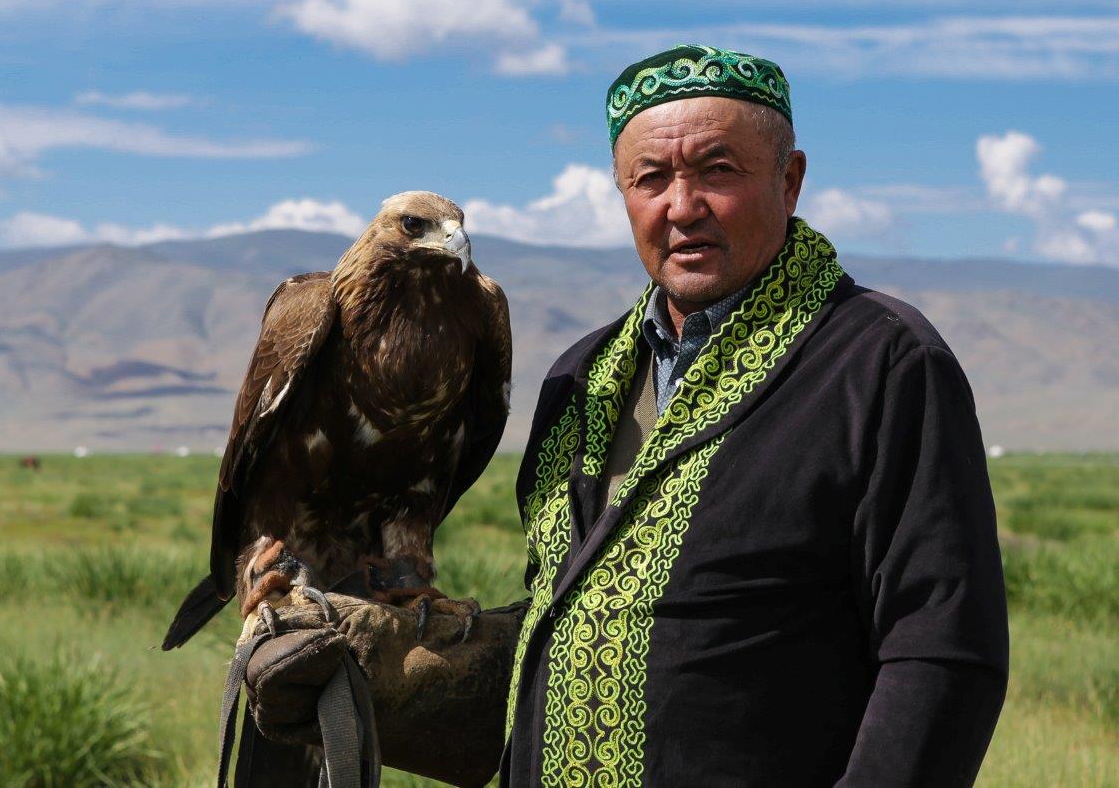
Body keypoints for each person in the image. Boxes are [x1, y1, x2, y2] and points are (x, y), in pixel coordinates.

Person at [246, 45, 1009, 787]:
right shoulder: (579, 379)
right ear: (623, 193)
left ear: (791, 180)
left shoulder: (882, 364)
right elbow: (587, 627)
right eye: (651, 179)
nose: (682, 207)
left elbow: (942, 656)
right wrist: (402, 664)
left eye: (719, 170)